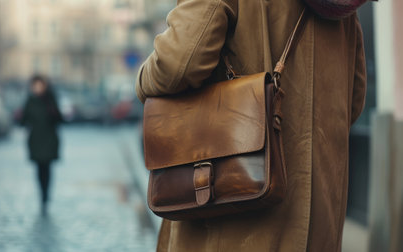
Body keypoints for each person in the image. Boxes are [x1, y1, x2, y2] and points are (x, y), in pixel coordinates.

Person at [135, 0, 367, 251]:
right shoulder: (345, 10)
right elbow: (353, 101)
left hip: (232, 220)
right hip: (320, 229)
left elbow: (176, 65)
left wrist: (141, 81)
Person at [21, 75, 62, 213]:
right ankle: (42, 194)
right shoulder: (30, 101)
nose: (37, 88)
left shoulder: (50, 100)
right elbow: (23, 120)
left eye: (40, 85)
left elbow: (59, 119)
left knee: (47, 168)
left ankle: (46, 194)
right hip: (36, 140)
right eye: (35, 85)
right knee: (39, 169)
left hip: (49, 139)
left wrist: (53, 111)